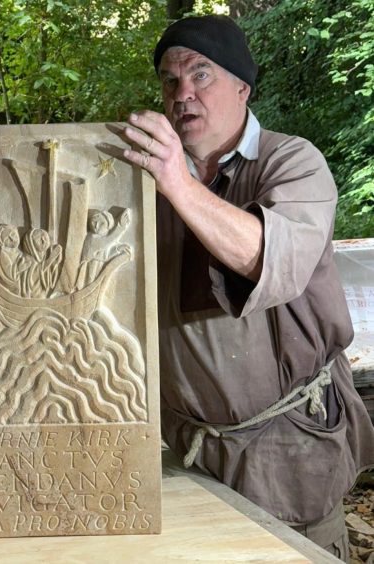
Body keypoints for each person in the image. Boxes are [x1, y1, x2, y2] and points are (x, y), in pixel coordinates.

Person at [121, 14, 374, 561]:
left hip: (287, 447)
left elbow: (268, 259)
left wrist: (178, 184)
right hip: (184, 448)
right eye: (170, 80)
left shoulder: (293, 162)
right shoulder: (150, 175)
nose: (182, 93)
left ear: (243, 86)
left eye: (200, 75)